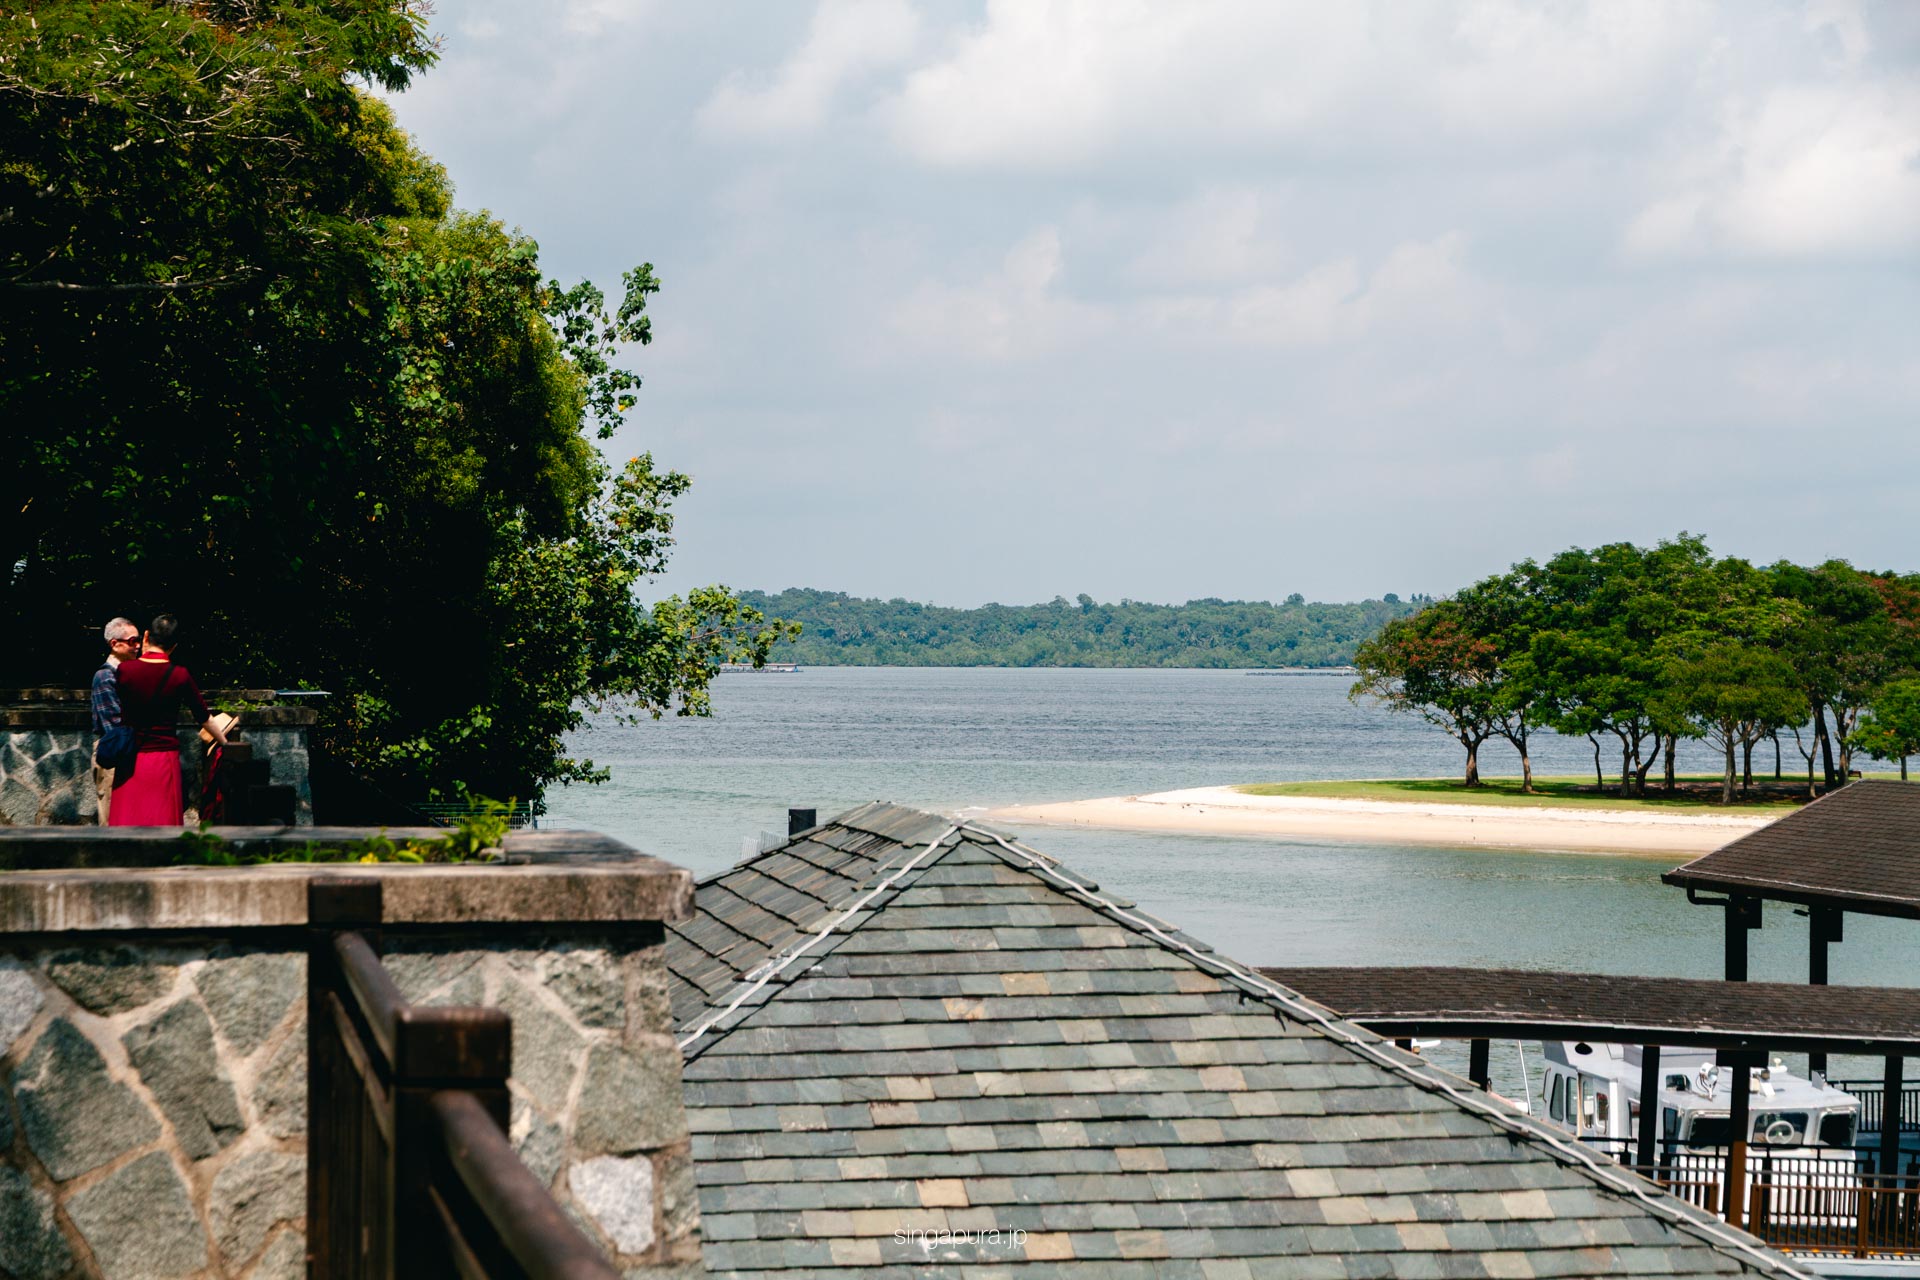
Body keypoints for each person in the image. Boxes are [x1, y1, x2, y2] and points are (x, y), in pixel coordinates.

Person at [109, 613, 230, 826]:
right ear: (174, 646)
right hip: (164, 758)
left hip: (130, 757)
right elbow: (204, 718)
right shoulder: (179, 675)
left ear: (145, 636)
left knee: (128, 820)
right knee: (163, 821)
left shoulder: (125, 671)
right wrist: (225, 743)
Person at [89, 617, 141, 823]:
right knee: (111, 820)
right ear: (114, 643)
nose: (137, 646)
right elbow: (115, 725)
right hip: (114, 752)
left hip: (126, 750)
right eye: (132, 641)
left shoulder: (127, 674)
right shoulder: (105, 676)